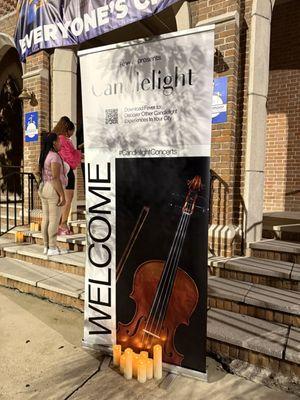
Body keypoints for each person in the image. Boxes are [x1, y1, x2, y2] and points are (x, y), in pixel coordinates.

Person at [38, 133, 68, 256]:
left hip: (43, 187)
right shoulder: (54, 156)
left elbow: (37, 171)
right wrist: (62, 195)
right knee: (54, 219)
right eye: (59, 141)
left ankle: (46, 246)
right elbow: (55, 178)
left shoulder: (44, 155)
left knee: (46, 218)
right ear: (54, 143)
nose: (60, 143)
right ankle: (52, 248)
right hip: (52, 188)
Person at [53, 117, 82, 235]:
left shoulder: (56, 139)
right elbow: (69, 157)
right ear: (67, 130)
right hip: (67, 171)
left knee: (61, 199)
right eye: (72, 131)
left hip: (59, 170)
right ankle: (63, 225)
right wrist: (80, 155)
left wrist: (79, 154)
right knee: (68, 200)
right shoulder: (63, 139)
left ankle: (57, 225)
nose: (72, 134)